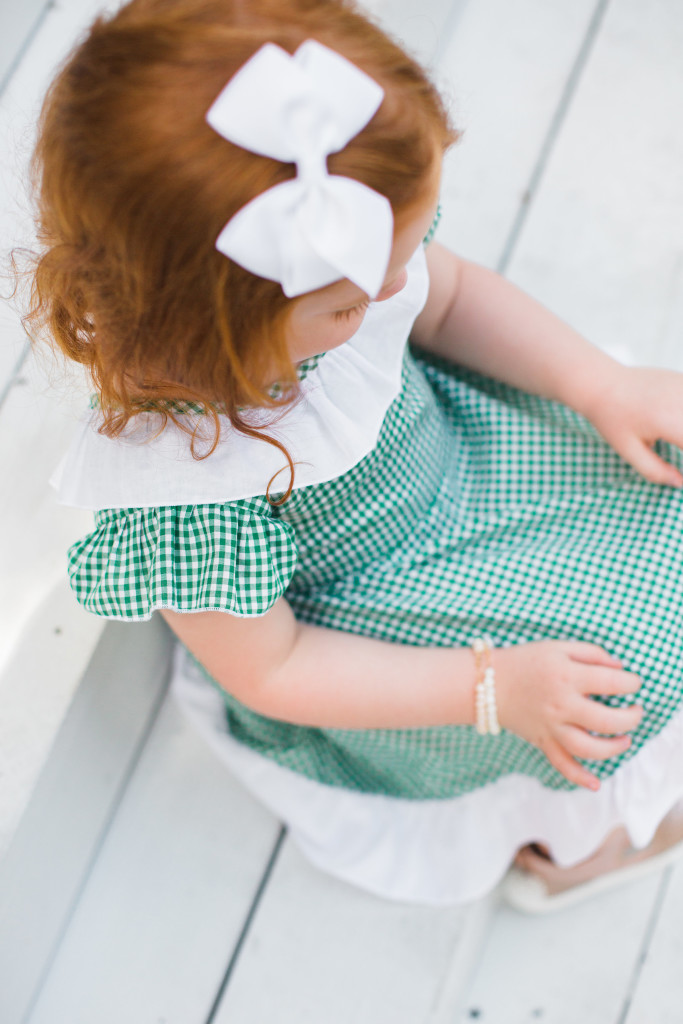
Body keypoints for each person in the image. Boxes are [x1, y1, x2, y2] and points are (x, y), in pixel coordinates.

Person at [23, 0, 683, 911]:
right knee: (603, 679)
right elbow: (274, 668)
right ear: (217, 334)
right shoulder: (184, 483)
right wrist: (492, 687)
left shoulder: (340, 269)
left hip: (468, 460)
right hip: (378, 623)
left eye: (402, 251)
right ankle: (580, 842)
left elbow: (446, 301)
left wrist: (596, 385)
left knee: (668, 500)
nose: (394, 286)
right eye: (352, 302)